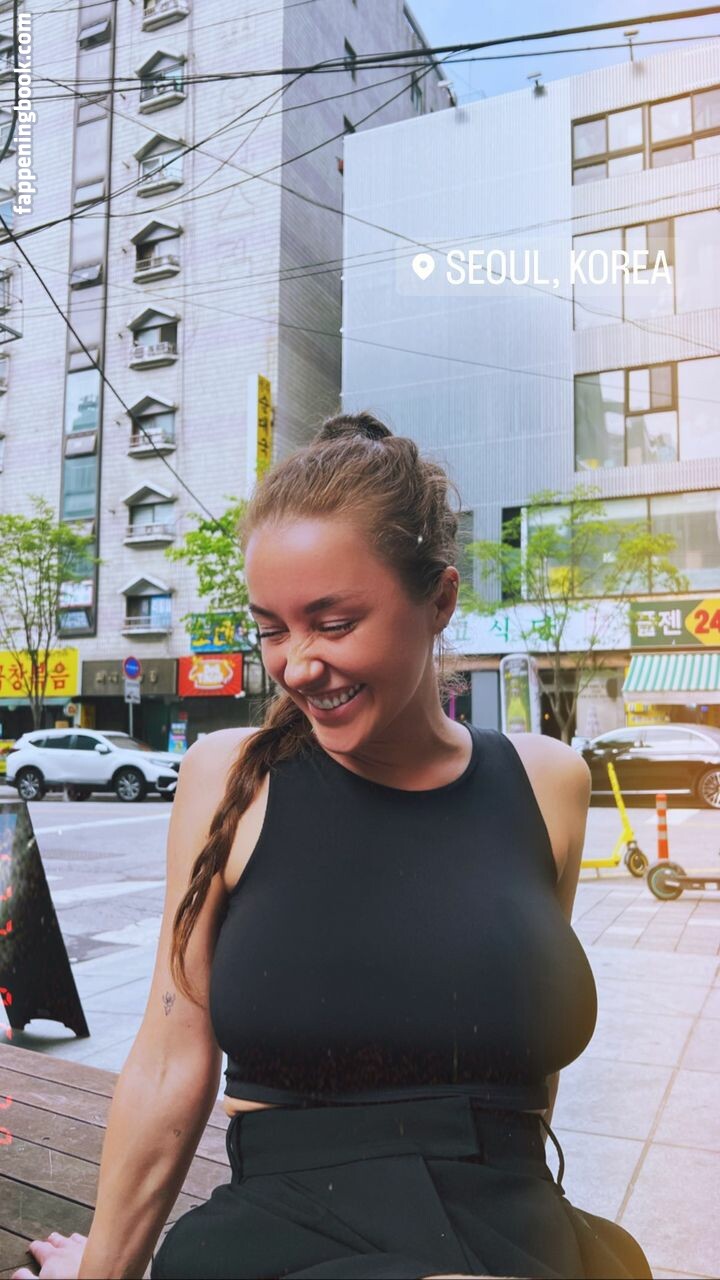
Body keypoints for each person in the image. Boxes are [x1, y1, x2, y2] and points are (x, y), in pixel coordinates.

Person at [12, 413, 652, 1280]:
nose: (297, 664)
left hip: (513, 1231)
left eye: (334, 622)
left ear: (441, 601)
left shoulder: (549, 782)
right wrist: (102, 1275)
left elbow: (524, 1061)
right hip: (285, 1236)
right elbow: (169, 1061)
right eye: (272, 628)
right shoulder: (227, 778)